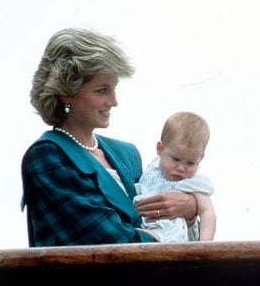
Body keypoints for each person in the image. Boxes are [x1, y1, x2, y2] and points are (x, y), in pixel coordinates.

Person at [21, 28, 197, 246]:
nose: (114, 101)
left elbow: (159, 223)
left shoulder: (127, 154)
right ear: (67, 93)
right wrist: (162, 238)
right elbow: (105, 240)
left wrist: (190, 209)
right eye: (102, 90)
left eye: (114, 88)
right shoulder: (48, 155)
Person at [134, 111, 216, 242]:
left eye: (190, 162)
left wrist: (205, 245)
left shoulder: (193, 182)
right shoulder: (154, 167)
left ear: (200, 158)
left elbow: (207, 212)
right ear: (160, 149)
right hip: (143, 222)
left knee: (135, 238)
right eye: (175, 159)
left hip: (171, 235)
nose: (181, 168)